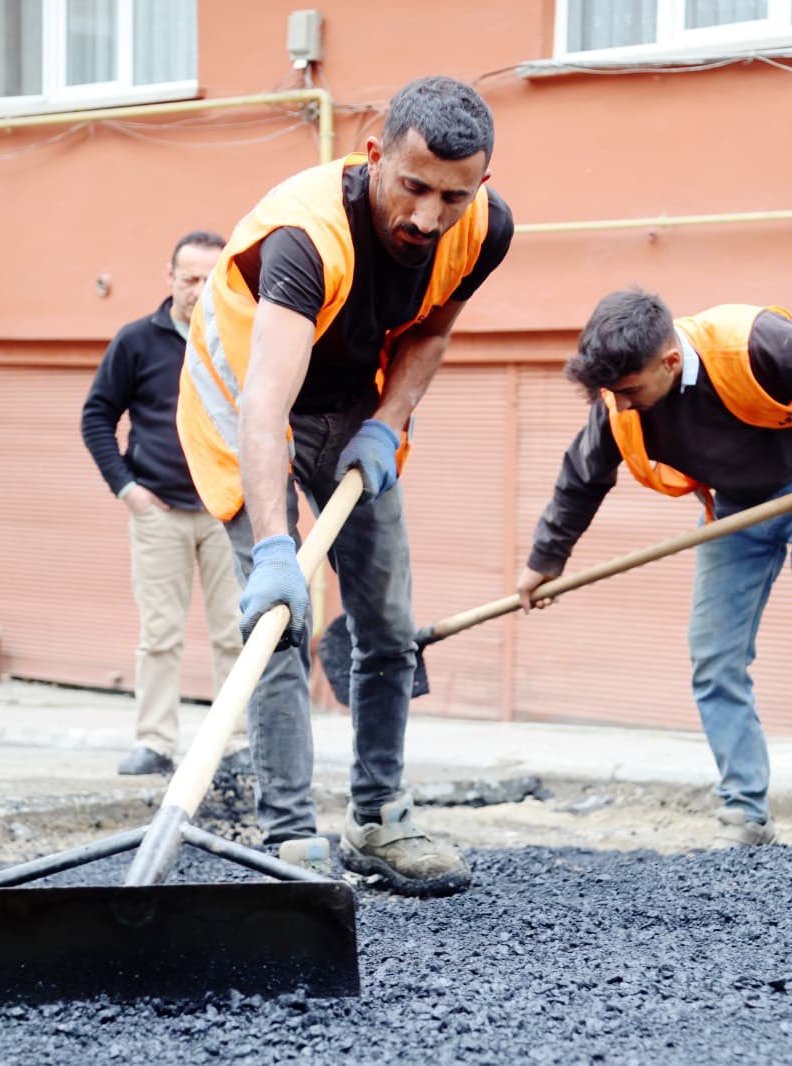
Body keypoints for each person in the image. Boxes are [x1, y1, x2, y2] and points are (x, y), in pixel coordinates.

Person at [177, 76, 514, 894]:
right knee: (278, 622)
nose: (430, 217)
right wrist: (271, 548)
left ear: (482, 187)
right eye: (414, 187)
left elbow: (432, 329)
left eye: (454, 196)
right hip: (250, 409)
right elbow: (265, 402)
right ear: (373, 158)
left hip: (358, 408)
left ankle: (379, 820)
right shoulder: (304, 236)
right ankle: (289, 840)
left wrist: (387, 421)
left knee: (388, 628)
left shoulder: (484, 230)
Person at [516, 289, 792, 847]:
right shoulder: (620, 405)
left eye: (629, 391)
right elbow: (583, 477)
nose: (620, 406)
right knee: (714, 652)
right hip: (739, 507)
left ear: (670, 362)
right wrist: (544, 561)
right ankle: (744, 811)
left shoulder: (751, 343)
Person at [82, 230, 246, 777]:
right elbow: (96, 418)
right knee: (160, 635)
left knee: (235, 633)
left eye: (209, 278)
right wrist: (129, 491)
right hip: (160, 514)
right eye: (189, 278)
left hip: (228, 512)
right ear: (169, 277)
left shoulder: (241, 338)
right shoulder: (136, 342)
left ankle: (236, 746)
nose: (200, 290)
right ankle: (155, 742)